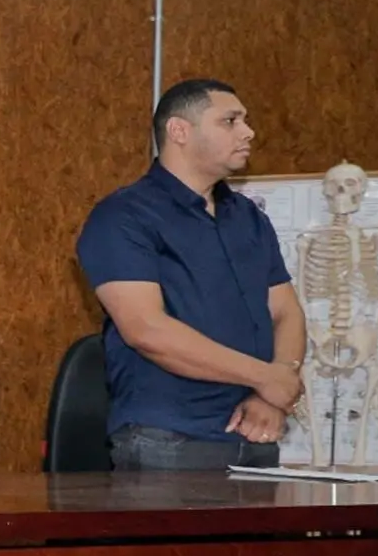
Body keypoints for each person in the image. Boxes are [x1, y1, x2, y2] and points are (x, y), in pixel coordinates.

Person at [76, 77, 305, 471]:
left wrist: (272, 393)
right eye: (230, 121)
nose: (248, 132)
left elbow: (286, 311)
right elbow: (146, 329)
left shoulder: (248, 218)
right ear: (179, 131)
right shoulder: (124, 216)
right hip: (168, 440)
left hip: (254, 436)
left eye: (245, 120)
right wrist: (267, 378)